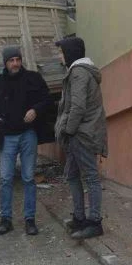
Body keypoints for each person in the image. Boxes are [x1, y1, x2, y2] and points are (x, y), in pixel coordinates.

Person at [0, 46, 52, 236]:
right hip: (7, 136)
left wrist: (35, 110)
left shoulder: (33, 79)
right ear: (5, 62)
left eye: (18, 59)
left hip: (28, 134)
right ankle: (6, 219)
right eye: (11, 60)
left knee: (28, 178)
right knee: (5, 178)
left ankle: (30, 220)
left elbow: (47, 99)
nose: (15, 63)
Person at [54, 36, 108, 240]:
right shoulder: (79, 71)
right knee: (72, 175)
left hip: (81, 134)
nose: (60, 56)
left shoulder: (78, 73)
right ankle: (79, 218)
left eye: (61, 52)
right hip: (80, 133)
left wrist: (68, 130)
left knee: (91, 177)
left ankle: (94, 222)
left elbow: (77, 106)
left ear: (70, 53)